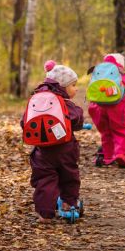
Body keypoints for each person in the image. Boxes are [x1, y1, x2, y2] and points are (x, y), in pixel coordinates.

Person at [21, 60, 84, 223]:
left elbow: (24, 122)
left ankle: (44, 214)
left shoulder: (37, 98)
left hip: (42, 151)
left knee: (45, 180)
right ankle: (68, 204)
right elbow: (76, 121)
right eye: (73, 85)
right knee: (69, 176)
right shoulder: (65, 103)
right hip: (65, 149)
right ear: (63, 87)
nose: (76, 89)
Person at [88, 53, 125, 168]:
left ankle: (107, 157)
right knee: (120, 130)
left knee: (106, 132)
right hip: (117, 108)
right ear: (121, 65)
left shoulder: (98, 73)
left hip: (97, 108)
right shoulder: (120, 74)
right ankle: (120, 153)